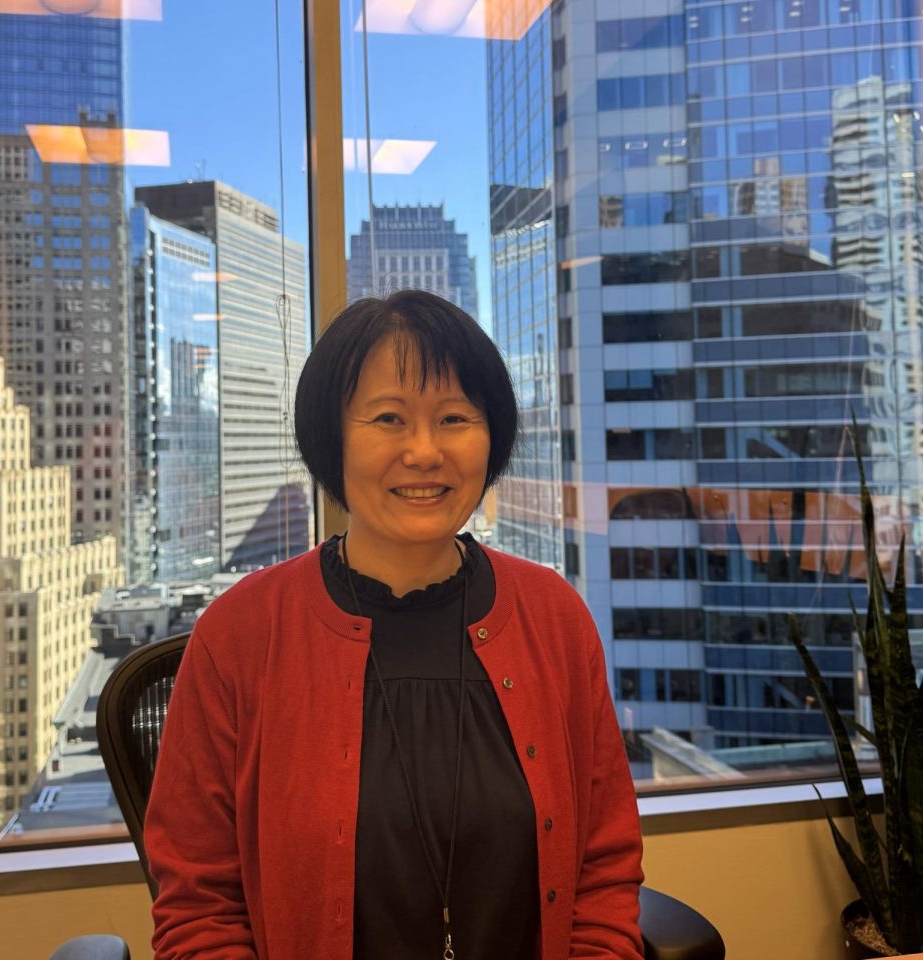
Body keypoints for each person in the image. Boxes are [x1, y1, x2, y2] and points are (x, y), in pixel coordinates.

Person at [144, 290, 644, 960]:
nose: (425, 451)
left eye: (455, 418)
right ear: (331, 437)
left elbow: (604, 868)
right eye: (388, 418)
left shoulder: (554, 620)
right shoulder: (239, 636)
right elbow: (198, 909)